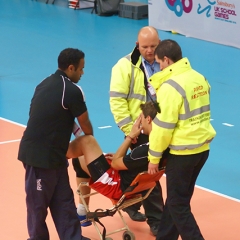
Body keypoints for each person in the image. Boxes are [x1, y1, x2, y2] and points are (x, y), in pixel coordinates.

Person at [18, 48, 93, 240]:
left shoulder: (43, 84)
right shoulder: (71, 90)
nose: (82, 73)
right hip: (39, 158)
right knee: (38, 206)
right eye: (81, 69)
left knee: (64, 201)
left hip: (56, 156)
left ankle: (73, 237)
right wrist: (89, 145)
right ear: (71, 68)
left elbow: (59, 119)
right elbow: (85, 126)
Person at [147, 39, 217, 240]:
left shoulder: (171, 87)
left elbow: (163, 128)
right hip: (201, 150)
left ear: (167, 60)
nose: (159, 66)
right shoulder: (199, 78)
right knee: (177, 200)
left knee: (178, 205)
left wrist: (153, 158)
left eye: (160, 62)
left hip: (182, 153)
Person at [67, 102, 168, 236]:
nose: (140, 122)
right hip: (135, 185)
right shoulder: (163, 144)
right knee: (80, 158)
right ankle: (82, 212)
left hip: (116, 185)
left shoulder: (145, 150)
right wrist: (125, 155)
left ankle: (56, 157)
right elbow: (132, 161)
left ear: (148, 119)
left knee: (87, 142)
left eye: (141, 118)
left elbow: (115, 163)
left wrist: (130, 136)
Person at [108, 26, 163, 234]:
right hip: (138, 130)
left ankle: (130, 202)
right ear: (136, 45)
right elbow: (117, 101)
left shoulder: (165, 62)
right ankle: (156, 220)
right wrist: (129, 130)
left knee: (140, 169)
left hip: (161, 128)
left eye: (153, 46)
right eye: (145, 47)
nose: (149, 51)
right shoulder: (124, 67)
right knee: (151, 172)